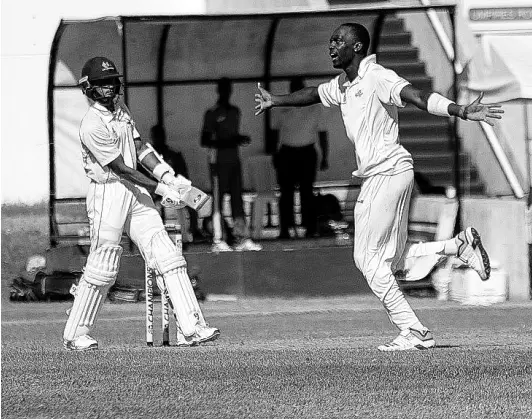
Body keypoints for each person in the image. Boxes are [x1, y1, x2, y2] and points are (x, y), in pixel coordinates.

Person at [255, 23, 502, 351]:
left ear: (357, 48)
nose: (331, 45)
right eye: (331, 39)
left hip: (387, 173)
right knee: (394, 260)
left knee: (368, 262)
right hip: (383, 175)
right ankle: (458, 246)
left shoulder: (377, 76)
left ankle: (414, 331)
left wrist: (458, 110)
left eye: (338, 41)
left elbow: (415, 95)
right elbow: (313, 94)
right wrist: (276, 100)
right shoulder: (343, 84)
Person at [63, 56, 220, 351]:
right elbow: (122, 168)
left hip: (136, 193)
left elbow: (139, 148)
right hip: (108, 194)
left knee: (167, 255)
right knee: (103, 264)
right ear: (89, 88)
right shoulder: (91, 124)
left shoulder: (121, 110)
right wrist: (162, 190)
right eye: (101, 83)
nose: (108, 87)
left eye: (111, 81)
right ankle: (76, 333)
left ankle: (191, 328)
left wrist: (170, 177)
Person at [201, 77, 262, 252]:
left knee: (237, 199)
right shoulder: (212, 113)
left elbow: (232, 136)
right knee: (218, 200)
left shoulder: (235, 111)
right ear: (219, 91)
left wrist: (238, 139)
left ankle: (242, 237)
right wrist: (231, 141)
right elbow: (205, 140)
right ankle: (219, 239)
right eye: (224, 89)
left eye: (229, 89)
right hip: (218, 161)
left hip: (234, 160)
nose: (226, 92)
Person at [271, 77, 329, 239]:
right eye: (294, 88)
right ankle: (285, 230)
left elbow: (323, 133)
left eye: (300, 88)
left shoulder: (315, 108)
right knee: (286, 193)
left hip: (307, 153)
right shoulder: (282, 106)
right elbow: (274, 133)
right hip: (287, 153)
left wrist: (325, 156)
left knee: (307, 193)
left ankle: (310, 228)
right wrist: (274, 154)